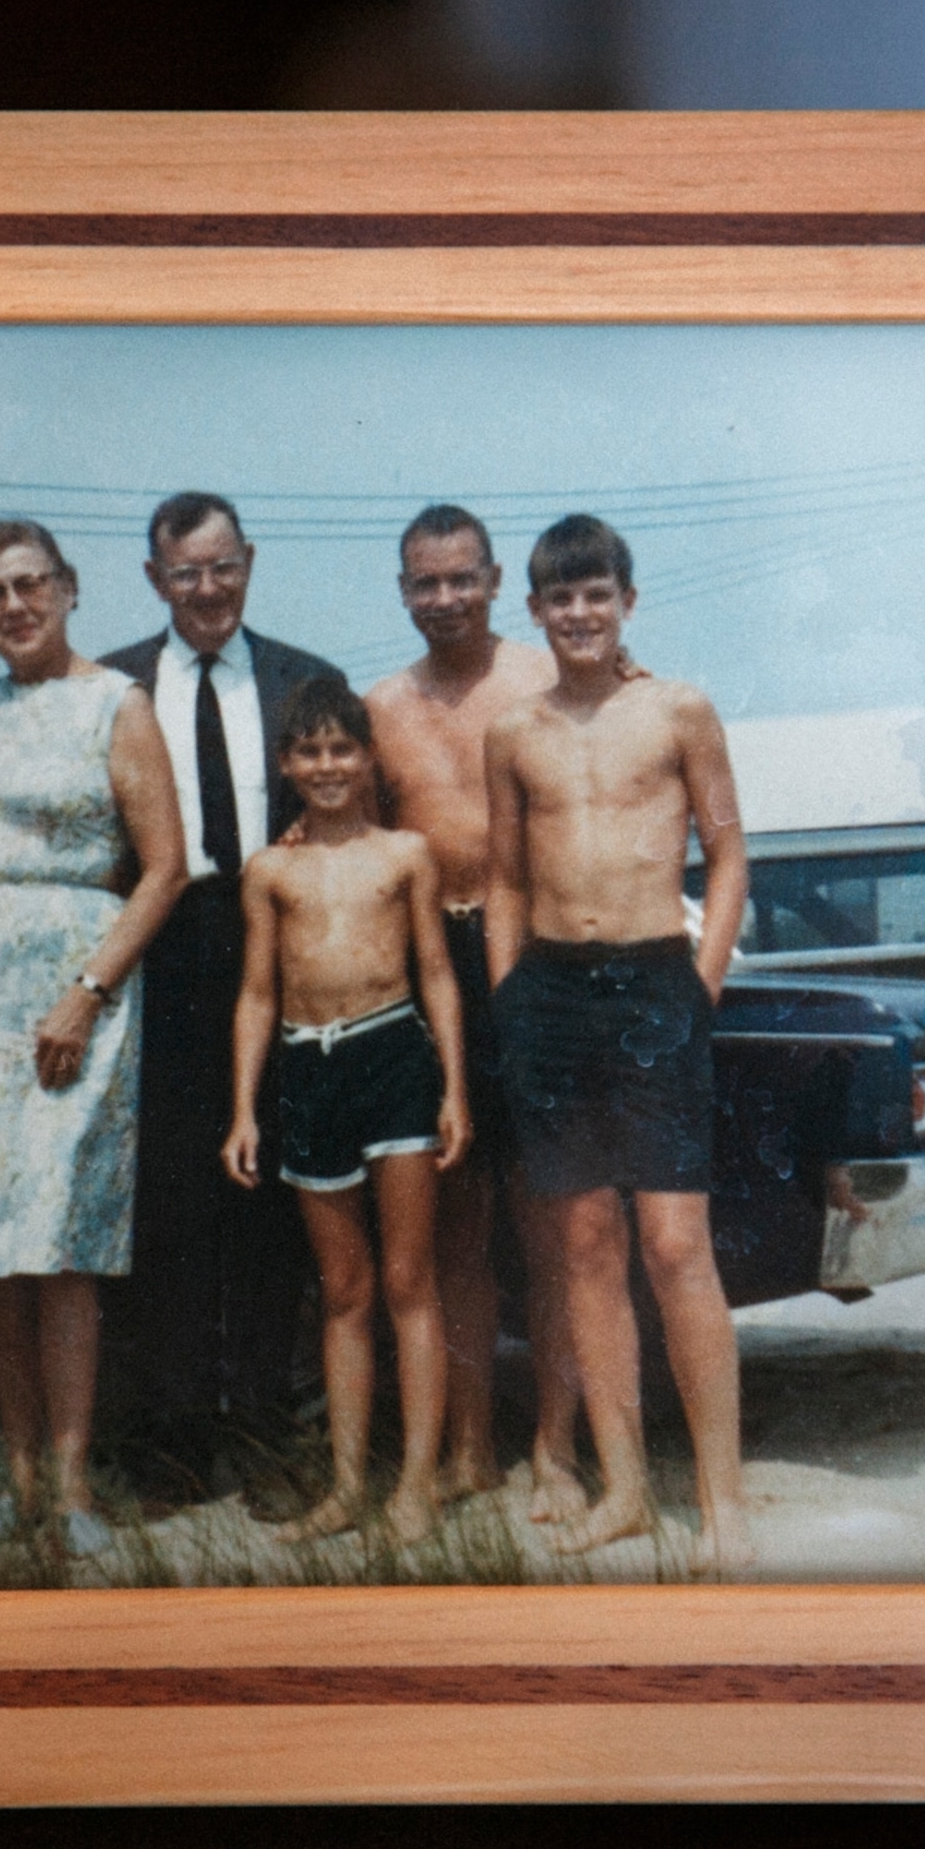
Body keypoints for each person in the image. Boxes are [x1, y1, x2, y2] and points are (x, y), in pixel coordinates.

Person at [0, 520, 187, 1556]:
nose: (15, 606)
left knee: (60, 1242)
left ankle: (71, 1491)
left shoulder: (118, 703)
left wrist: (88, 991)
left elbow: (165, 868)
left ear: (68, 589)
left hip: (74, 989)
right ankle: (15, 1483)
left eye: (31, 585)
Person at [483, 515, 754, 1571]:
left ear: (627, 601)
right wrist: (508, 998)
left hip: (656, 983)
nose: (580, 613)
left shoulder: (678, 709)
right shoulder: (514, 732)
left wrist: (702, 981)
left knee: (676, 1247)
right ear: (535, 610)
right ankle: (628, 1490)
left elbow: (728, 855)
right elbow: (506, 878)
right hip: (551, 992)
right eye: (561, 597)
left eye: (597, 593)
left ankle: (724, 1505)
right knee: (585, 1249)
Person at [360, 502, 632, 1515]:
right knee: (456, 1227)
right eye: (425, 583)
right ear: (403, 591)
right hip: (432, 966)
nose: (444, 599)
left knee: (552, 1220)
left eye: (461, 578)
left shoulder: (546, 679)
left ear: (493, 581)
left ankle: (556, 1446)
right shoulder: (379, 707)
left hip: (543, 955)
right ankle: (471, 1445)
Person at [99, 492, 343, 1492]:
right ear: (155, 579)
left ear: (250, 561)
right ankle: (171, 1439)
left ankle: (269, 1434)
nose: (208, 589)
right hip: (161, 949)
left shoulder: (305, 680)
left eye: (224, 566)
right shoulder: (110, 685)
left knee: (274, 1199)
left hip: (273, 945)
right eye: (186, 572)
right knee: (168, 1201)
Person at [222, 679, 469, 1546]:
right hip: (307, 1069)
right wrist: (243, 1110)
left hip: (393, 1058)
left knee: (409, 1280)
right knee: (344, 1290)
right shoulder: (270, 869)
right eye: (310, 752)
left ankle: (416, 1488)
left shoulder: (406, 855)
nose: (327, 766)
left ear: (368, 759)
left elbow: (436, 972)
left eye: (342, 749)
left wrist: (454, 1088)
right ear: (287, 765)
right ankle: (348, 1485)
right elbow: (257, 993)